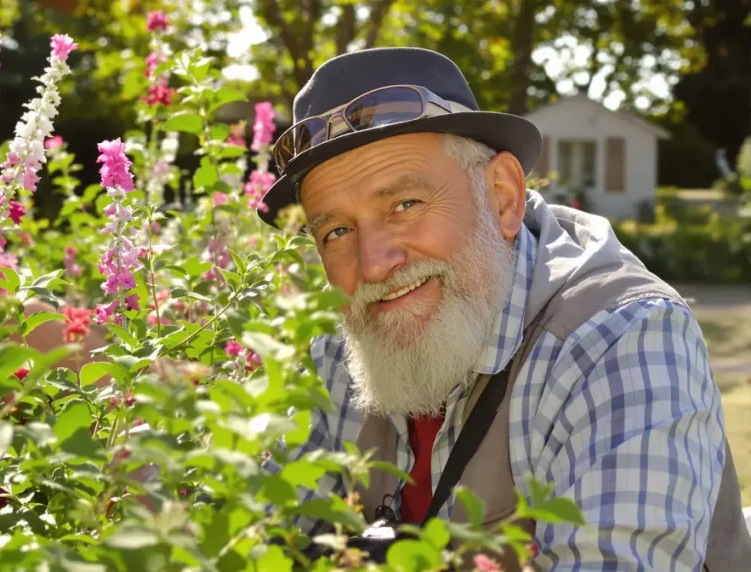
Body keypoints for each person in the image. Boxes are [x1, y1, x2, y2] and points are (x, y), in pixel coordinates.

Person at [255, 47, 751, 570]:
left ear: (503, 197)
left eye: (405, 205)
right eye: (336, 231)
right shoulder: (342, 351)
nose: (373, 265)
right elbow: (269, 534)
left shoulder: (621, 339)